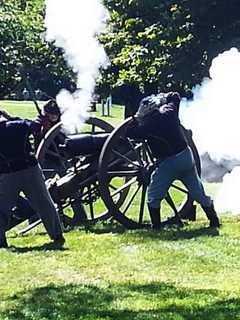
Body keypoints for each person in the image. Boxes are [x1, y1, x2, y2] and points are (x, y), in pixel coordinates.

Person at [126, 92, 220, 230]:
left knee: (153, 195)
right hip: (187, 157)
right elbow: (175, 96)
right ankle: (214, 221)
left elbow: (130, 133)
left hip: (169, 163)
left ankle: (156, 227)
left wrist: (137, 117)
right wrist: (165, 97)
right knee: (197, 192)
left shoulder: (148, 126)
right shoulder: (169, 111)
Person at [0, 113, 65, 248]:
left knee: (2, 209)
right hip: (30, 170)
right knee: (44, 204)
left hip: (8, 174)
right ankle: (57, 235)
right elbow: (36, 127)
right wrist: (43, 121)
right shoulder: (19, 124)